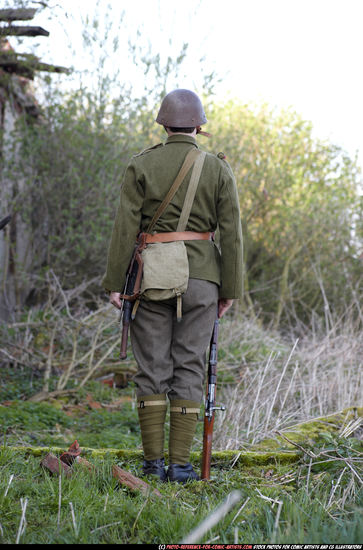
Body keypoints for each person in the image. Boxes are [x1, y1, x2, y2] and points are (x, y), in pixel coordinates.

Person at [102, 89, 243, 483]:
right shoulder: (218, 169)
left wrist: (116, 281)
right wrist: (229, 288)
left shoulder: (142, 164)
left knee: (152, 370)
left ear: (164, 124)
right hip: (202, 280)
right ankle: (181, 467)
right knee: (190, 367)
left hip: (150, 278)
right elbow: (231, 235)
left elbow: (124, 227)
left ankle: (152, 465)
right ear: (200, 125)